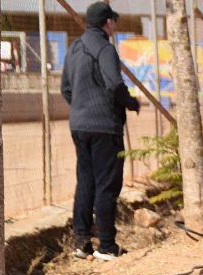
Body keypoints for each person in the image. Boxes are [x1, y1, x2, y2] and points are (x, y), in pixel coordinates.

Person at [61, 2, 140, 261]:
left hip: (79, 126)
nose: (114, 26)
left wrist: (82, 108)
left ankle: (81, 242)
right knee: (107, 184)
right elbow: (115, 84)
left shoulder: (74, 49)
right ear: (107, 22)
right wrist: (131, 103)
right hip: (105, 127)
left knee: (86, 182)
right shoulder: (105, 49)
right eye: (113, 22)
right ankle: (107, 246)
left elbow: (66, 89)